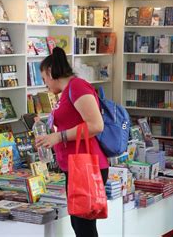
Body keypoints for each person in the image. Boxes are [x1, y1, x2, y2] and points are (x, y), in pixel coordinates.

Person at [35, 47, 108, 237]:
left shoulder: (77, 87)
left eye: (44, 79)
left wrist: (59, 137)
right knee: (80, 225)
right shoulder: (68, 90)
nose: (45, 85)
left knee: (84, 228)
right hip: (76, 165)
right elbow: (73, 123)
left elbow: (96, 125)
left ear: (51, 72)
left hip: (85, 165)